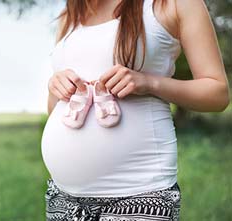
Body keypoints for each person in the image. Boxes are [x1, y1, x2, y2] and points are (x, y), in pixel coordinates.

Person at [41, 0, 230, 220]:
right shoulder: (70, 14)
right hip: (63, 200)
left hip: (137, 196)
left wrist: (149, 83)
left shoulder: (173, 4)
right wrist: (55, 87)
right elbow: (53, 108)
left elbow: (217, 93)